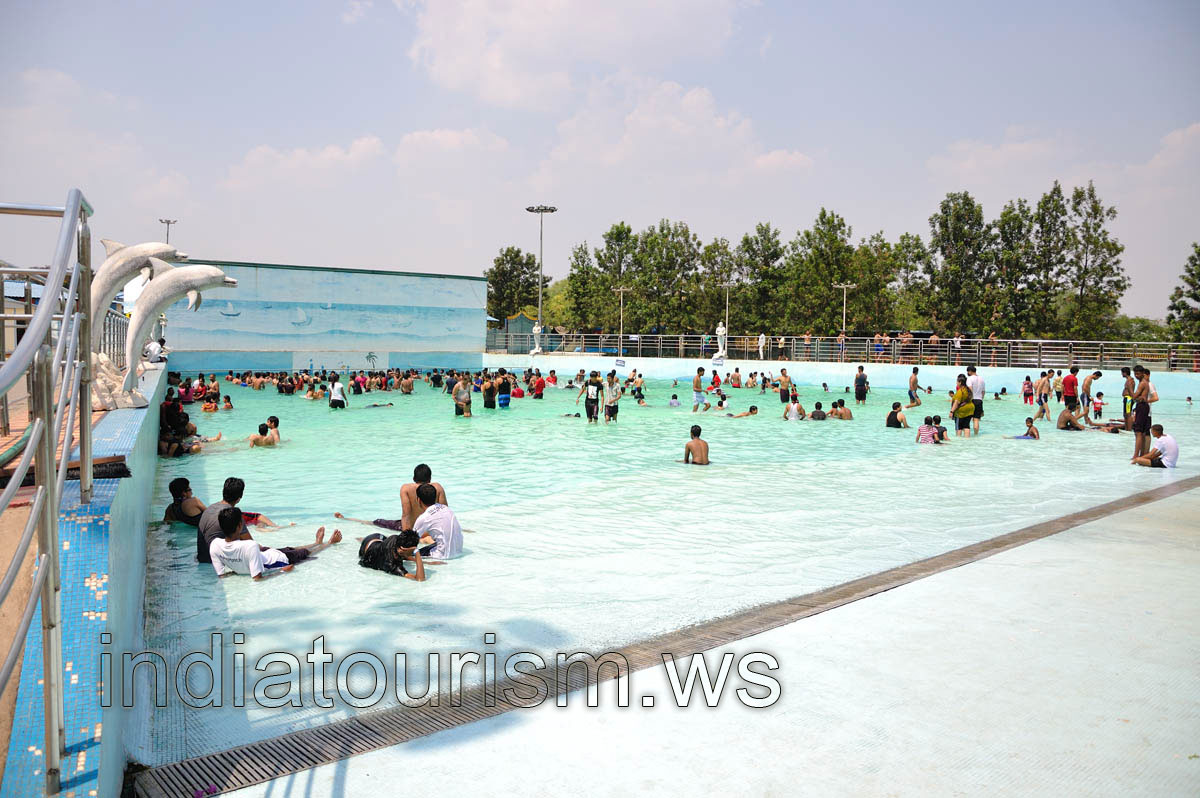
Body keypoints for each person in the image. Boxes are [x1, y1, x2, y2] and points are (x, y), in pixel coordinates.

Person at [210, 507, 341, 580]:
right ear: (240, 526)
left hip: (265, 554)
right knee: (306, 553)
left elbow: (222, 575)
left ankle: (316, 542)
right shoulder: (250, 546)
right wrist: (282, 571)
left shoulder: (215, 545)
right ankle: (329, 543)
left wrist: (238, 569)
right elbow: (257, 578)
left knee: (292, 548)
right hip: (279, 560)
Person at [195, 477, 281, 564]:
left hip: (202, 558)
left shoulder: (209, 509)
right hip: (217, 560)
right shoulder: (233, 514)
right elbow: (250, 544)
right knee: (280, 554)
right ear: (240, 497)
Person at [411, 482, 463, 558]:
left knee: (408, 554)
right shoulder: (447, 509)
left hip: (442, 556)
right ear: (435, 498)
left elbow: (410, 543)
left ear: (418, 500)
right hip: (458, 551)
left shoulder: (424, 518)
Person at [358, 530, 429, 581]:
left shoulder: (396, 538)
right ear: (403, 550)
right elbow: (420, 579)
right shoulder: (391, 565)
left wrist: (426, 562)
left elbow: (405, 555)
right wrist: (417, 553)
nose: (413, 552)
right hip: (366, 547)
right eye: (412, 551)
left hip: (378, 537)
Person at [966, 365, 985, 435]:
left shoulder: (969, 378)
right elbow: (983, 392)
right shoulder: (981, 379)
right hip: (979, 400)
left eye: (968, 371)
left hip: (971, 400)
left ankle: (967, 435)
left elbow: (970, 390)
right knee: (976, 419)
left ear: (970, 371)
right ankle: (976, 434)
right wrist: (981, 399)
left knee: (967, 419)